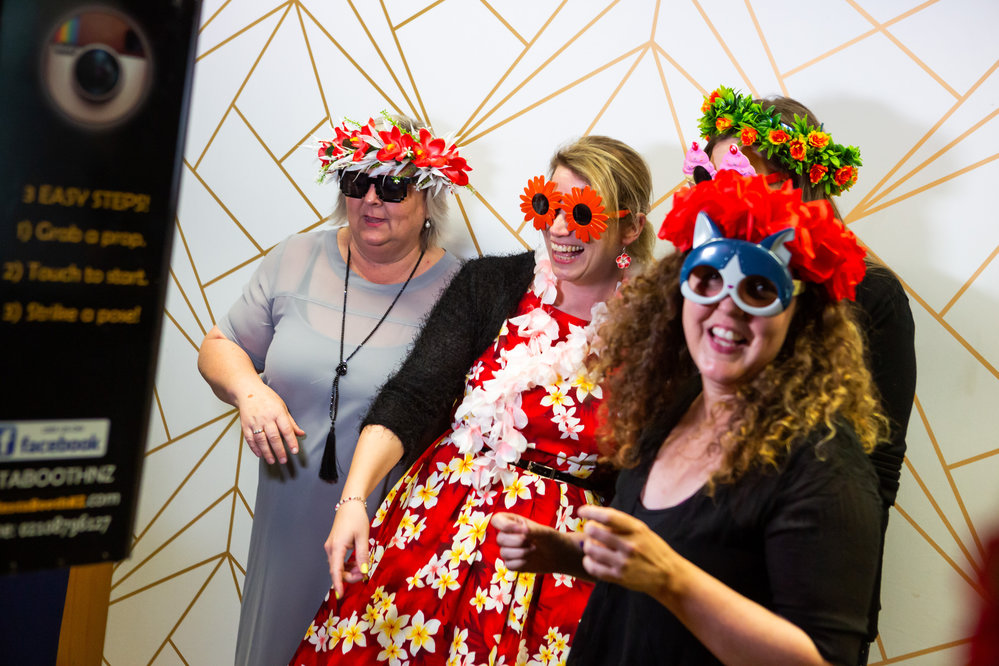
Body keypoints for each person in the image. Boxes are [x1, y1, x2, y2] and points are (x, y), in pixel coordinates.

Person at [495, 170, 887, 665]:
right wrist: (571, 556)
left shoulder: (824, 466)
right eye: (709, 280)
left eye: (759, 289)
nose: (727, 309)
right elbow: (667, 557)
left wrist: (671, 580)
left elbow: (822, 659)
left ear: (801, 317)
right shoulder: (671, 407)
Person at [288, 135, 654, 665]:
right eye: (548, 205)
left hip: (552, 573)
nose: (558, 228)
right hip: (430, 537)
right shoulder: (492, 284)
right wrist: (354, 500)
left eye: (581, 212)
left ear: (631, 227)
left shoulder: (654, 329)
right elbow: (414, 395)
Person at [197, 113, 470, 666]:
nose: (371, 199)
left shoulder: (461, 291)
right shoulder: (294, 259)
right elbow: (219, 346)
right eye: (357, 181)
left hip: (390, 532)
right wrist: (250, 391)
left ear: (429, 198)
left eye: (392, 186)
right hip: (286, 520)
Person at [694, 88, 917, 661]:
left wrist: (837, 597)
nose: (724, 196)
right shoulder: (703, 283)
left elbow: (879, 463)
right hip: (700, 553)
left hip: (806, 573)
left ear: (797, 184)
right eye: (712, 179)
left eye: (742, 178)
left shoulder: (870, 294)